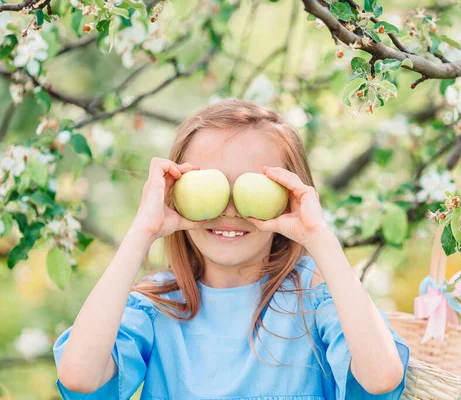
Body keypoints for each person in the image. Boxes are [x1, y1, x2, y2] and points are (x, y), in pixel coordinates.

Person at [52, 99, 410, 399]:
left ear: (289, 196)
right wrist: (142, 231)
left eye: (252, 186)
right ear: (174, 192)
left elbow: (381, 378)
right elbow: (80, 377)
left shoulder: (314, 299)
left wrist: (318, 236)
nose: (230, 209)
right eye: (212, 184)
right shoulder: (157, 307)